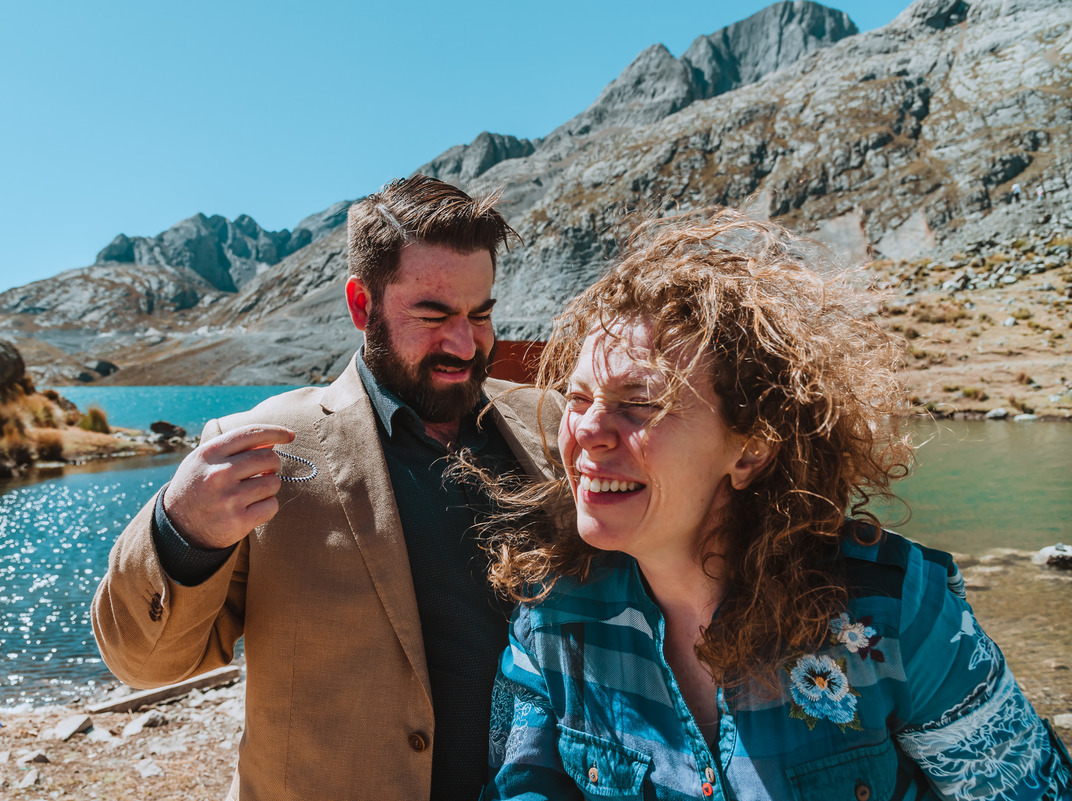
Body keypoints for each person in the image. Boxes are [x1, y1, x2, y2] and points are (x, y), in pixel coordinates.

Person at [482, 209, 1072, 800]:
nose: (586, 430)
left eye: (640, 404)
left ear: (750, 449)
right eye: (579, 398)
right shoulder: (550, 615)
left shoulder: (895, 608)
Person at [92, 176, 563, 801]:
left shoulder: (552, 424)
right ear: (361, 306)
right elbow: (144, 663)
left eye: (481, 315)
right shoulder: (262, 445)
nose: (464, 343)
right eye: (433, 315)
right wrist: (180, 531)